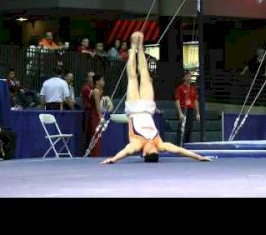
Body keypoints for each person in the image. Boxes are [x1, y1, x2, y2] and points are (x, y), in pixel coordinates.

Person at [100, 32, 211, 164]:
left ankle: (133, 48)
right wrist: (198, 157)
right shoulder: (159, 144)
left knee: (133, 77)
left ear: (144, 152)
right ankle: (140, 48)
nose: (154, 148)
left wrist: (113, 159)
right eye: (156, 150)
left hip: (134, 109)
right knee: (145, 74)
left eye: (151, 149)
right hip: (147, 109)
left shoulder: (136, 144)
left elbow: (125, 152)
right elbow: (179, 150)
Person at [88, 74, 113, 156]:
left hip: (98, 115)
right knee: (96, 136)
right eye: (102, 80)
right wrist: (100, 117)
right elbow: (98, 106)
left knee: (98, 135)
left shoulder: (101, 92)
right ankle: (95, 154)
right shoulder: (96, 91)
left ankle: (96, 153)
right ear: (97, 81)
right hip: (95, 115)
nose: (104, 82)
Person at [174, 71, 200, 145]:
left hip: (191, 110)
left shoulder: (193, 89)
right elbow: (177, 101)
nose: (189, 77)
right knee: (182, 129)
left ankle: (188, 145)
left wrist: (197, 113)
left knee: (189, 128)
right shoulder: (180, 88)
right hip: (183, 109)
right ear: (184, 78)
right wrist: (180, 113)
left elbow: (195, 101)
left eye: (190, 76)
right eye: (188, 76)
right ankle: (179, 145)